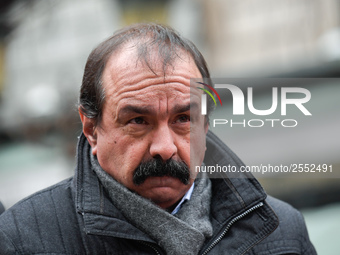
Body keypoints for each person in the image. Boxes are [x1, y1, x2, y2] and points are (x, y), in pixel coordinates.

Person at [0, 23, 316, 255]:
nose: (164, 148)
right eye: (138, 121)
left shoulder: (281, 230)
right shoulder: (22, 240)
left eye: (183, 119)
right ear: (91, 128)